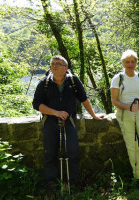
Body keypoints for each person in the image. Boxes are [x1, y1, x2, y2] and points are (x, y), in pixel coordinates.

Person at [32, 55, 103, 194]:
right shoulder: (44, 83)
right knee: (50, 152)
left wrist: (93, 115)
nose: (54, 66)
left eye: (58, 64)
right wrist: (56, 113)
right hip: (50, 122)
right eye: (52, 64)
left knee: (72, 152)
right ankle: (51, 184)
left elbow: (84, 99)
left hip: (69, 121)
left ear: (66, 67)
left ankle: (73, 183)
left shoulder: (73, 81)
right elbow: (36, 105)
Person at [110, 50, 139, 189]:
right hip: (125, 116)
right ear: (123, 63)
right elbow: (114, 101)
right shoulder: (118, 78)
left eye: (132, 61)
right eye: (127, 62)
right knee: (132, 146)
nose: (130, 64)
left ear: (136, 62)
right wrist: (128, 107)